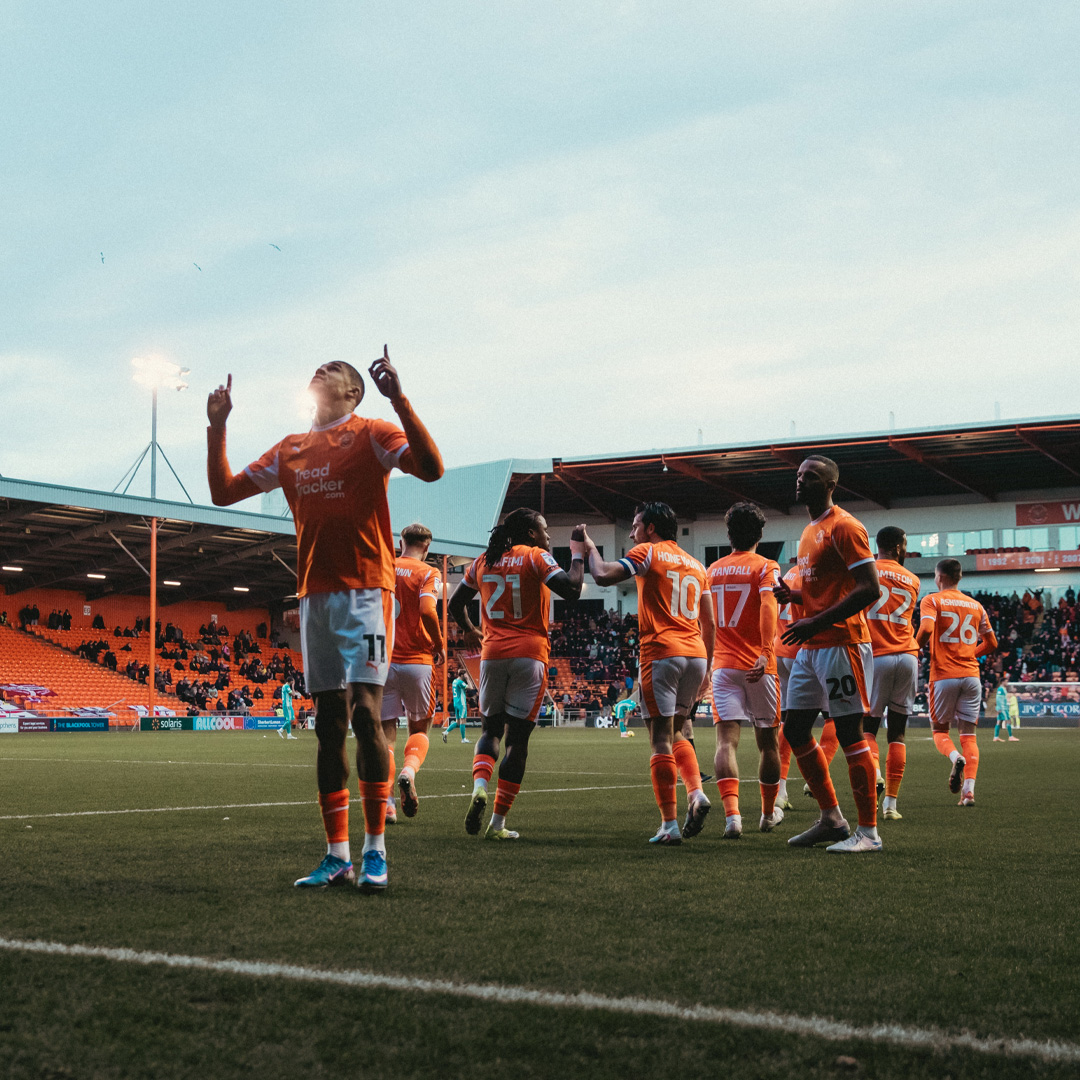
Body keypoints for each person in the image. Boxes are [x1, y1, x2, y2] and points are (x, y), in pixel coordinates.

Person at [206, 347, 443, 892]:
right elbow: (222, 493)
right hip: (315, 596)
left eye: (334, 369)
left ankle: (375, 850)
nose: (321, 369)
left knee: (365, 712)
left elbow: (430, 469)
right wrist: (218, 426)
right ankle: (336, 854)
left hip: (367, 593)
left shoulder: (373, 432)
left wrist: (400, 400)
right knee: (328, 725)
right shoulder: (291, 449)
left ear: (352, 392)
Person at [581, 502, 715, 845]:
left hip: (661, 652)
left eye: (636, 525)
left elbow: (602, 575)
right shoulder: (698, 566)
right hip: (696, 653)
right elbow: (710, 622)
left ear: (651, 528)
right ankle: (696, 793)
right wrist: (707, 670)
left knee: (659, 739)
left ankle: (669, 826)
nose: (631, 532)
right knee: (679, 731)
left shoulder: (649, 552)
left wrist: (590, 547)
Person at [449, 508, 583, 840]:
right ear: (529, 533)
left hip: (491, 655)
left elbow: (455, 603)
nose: (548, 536)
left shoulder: (484, 560)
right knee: (518, 741)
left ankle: (479, 786)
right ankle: (497, 825)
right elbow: (572, 589)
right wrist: (578, 555)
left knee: (490, 732)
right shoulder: (536, 556)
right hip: (529, 654)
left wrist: (470, 629)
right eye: (544, 530)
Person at [773, 456, 881, 853]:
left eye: (811, 477)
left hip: (842, 644)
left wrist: (815, 622)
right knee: (796, 729)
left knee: (851, 733)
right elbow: (826, 590)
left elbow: (870, 588)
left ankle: (868, 833)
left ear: (831, 484)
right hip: (812, 646)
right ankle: (832, 819)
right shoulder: (809, 530)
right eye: (799, 475)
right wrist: (796, 596)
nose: (801, 481)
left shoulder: (845, 526)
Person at [705, 502, 784, 838]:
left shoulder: (712, 570)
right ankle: (767, 815)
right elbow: (769, 606)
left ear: (728, 535)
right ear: (761, 535)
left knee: (726, 743)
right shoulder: (766, 566)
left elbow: (704, 620)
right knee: (768, 744)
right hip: (758, 666)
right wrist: (766, 652)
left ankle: (732, 817)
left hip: (722, 666)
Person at [916, 559, 997, 807]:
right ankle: (969, 792)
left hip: (944, 675)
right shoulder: (976, 605)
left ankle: (954, 758)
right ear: (959, 577)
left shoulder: (932, 600)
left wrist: (912, 648)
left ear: (939, 577)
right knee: (969, 736)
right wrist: (970, 655)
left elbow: (927, 629)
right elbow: (992, 644)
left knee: (940, 731)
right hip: (972, 676)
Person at [379, 522, 444, 823]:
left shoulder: (384, 566)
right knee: (419, 730)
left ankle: (387, 804)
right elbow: (428, 610)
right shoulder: (428, 572)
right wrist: (439, 643)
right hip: (418, 661)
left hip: (383, 661)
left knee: (385, 736)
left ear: (400, 541)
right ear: (427, 546)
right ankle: (409, 771)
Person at [865, 526, 921, 821]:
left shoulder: (867, 569)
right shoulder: (912, 579)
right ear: (898, 546)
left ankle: (874, 773)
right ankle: (891, 806)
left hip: (877, 656)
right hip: (908, 656)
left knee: (868, 728)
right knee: (897, 732)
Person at [443, 674, 470, 743]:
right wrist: (468, 679)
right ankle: (463, 739)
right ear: (462, 675)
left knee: (457, 722)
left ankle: (446, 731)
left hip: (456, 703)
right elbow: (470, 687)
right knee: (462, 721)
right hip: (462, 703)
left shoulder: (454, 681)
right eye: (465, 675)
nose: (466, 676)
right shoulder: (460, 682)